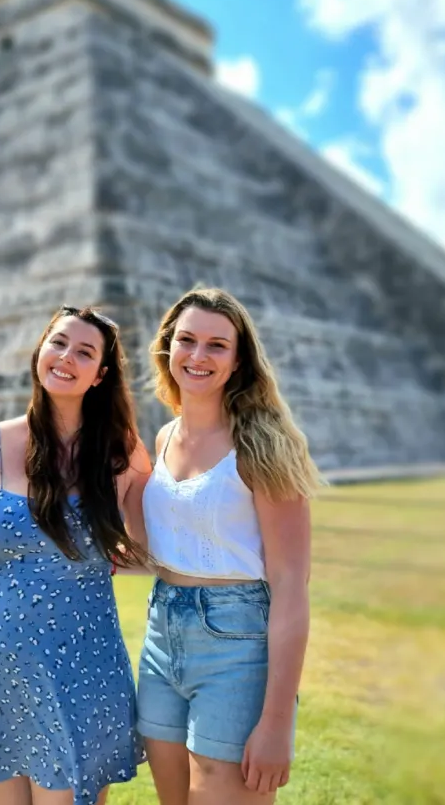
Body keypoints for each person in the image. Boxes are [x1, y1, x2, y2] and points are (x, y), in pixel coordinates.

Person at [0, 305, 151, 805]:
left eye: (85, 352)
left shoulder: (122, 454)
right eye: (58, 343)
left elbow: (154, 550)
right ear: (40, 351)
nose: (66, 358)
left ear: (100, 375)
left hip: (85, 672)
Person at [135, 287, 320, 804]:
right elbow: (175, 544)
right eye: (187, 340)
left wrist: (278, 722)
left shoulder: (264, 443)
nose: (198, 356)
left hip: (237, 642)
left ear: (239, 361)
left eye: (217, 345)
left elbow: (290, 583)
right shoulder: (165, 437)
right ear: (167, 348)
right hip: (160, 635)